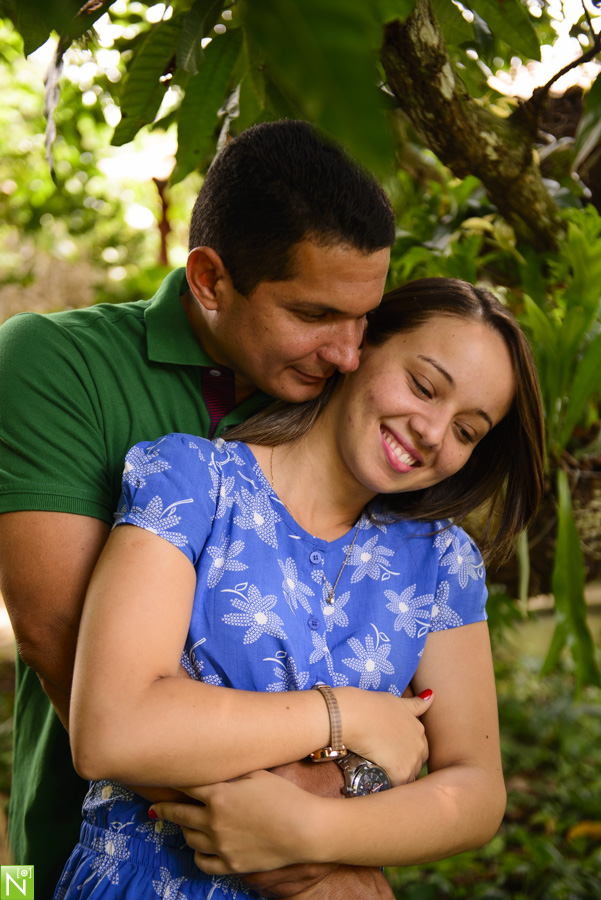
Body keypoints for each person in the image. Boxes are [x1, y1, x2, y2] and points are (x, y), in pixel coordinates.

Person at [0, 119, 394, 897]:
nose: (349, 354)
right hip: (67, 851)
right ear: (210, 280)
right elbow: (56, 640)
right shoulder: (53, 363)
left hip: (323, 839)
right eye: (313, 315)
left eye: (364, 318)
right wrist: (288, 845)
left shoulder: (354, 402)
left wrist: (330, 826)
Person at [55, 278, 545, 899]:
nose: (433, 432)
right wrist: (348, 715)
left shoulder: (442, 562)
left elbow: (475, 792)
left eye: (468, 431)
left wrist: (316, 832)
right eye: (424, 386)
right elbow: (111, 731)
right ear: (360, 347)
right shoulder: (193, 483)